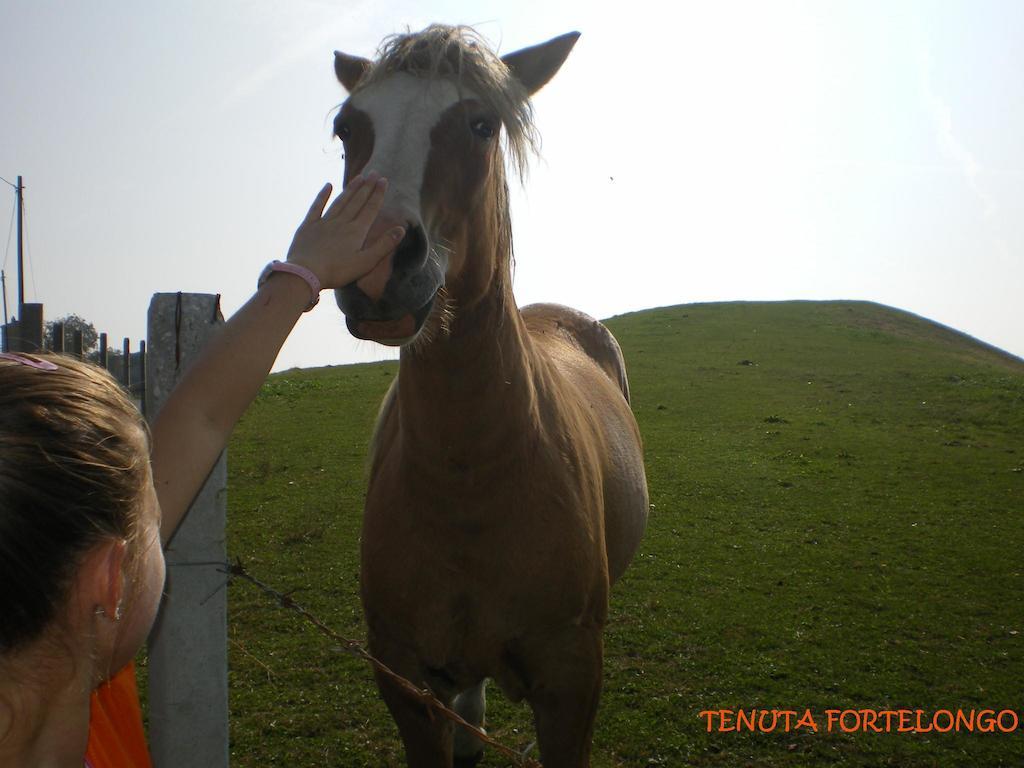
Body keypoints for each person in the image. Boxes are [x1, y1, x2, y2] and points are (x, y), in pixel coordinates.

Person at [0, 172, 402, 767]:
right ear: (109, 585)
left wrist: (302, 275)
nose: (165, 498)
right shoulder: (86, 694)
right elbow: (201, 418)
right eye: (152, 513)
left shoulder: (49, 659)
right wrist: (301, 275)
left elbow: (201, 415)